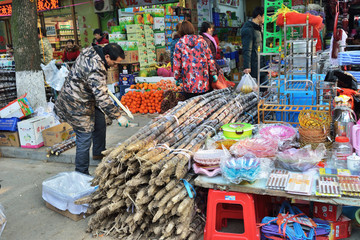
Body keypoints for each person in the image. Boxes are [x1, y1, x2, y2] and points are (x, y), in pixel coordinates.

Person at [54, 43, 131, 175]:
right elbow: (101, 97)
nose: (115, 65)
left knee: (100, 121)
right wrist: (118, 116)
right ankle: (81, 173)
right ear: (107, 56)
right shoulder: (97, 68)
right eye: (114, 62)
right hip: (76, 102)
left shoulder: (93, 51)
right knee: (84, 137)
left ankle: (98, 152)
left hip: (85, 97)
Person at [173, 21, 217, 99]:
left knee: (191, 107)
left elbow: (177, 63)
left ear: (181, 31)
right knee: (203, 106)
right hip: (203, 82)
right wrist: (213, 73)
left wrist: (176, 77)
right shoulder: (202, 42)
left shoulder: (179, 44)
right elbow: (210, 59)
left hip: (188, 84)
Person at [241, 7, 266, 86]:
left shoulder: (258, 28)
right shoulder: (248, 29)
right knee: (254, 91)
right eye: (264, 16)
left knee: (263, 89)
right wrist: (247, 66)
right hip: (254, 66)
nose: (265, 19)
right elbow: (247, 49)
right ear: (259, 16)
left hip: (261, 65)